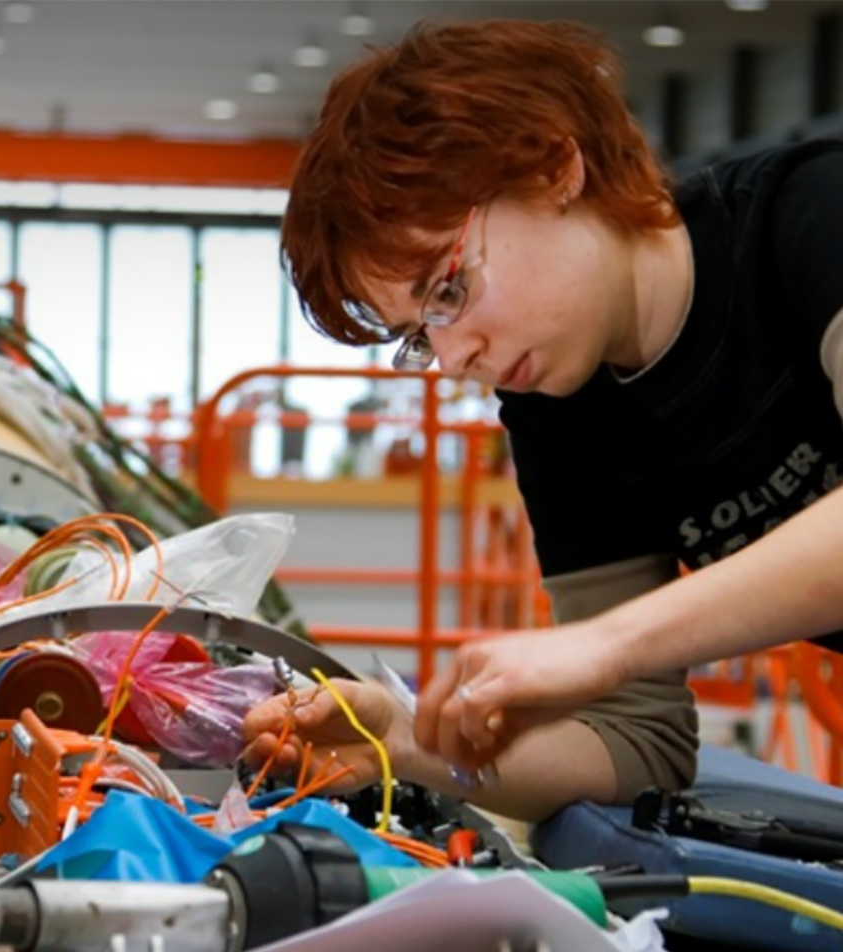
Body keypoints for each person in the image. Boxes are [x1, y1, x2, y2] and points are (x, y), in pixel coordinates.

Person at [240, 18, 843, 821]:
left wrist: (605, 644)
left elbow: (611, 663)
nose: (453, 360)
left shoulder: (814, 216)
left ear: (556, 167)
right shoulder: (562, 407)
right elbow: (635, 744)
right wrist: (402, 739)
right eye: (421, 336)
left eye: (447, 290)